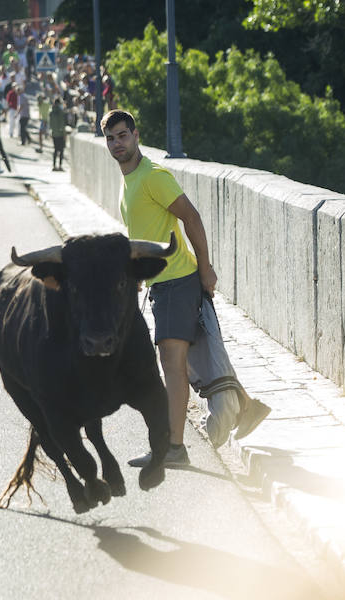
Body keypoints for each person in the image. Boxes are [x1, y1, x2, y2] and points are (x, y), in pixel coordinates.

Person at [100, 109, 272, 466]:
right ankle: (248, 407)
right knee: (197, 356)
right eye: (111, 138)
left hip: (177, 281)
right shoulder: (129, 180)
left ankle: (174, 449)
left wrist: (206, 268)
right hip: (163, 284)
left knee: (173, 366)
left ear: (135, 135)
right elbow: (144, 236)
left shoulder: (152, 176)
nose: (117, 143)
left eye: (122, 135)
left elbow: (191, 217)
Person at [49, 97, 66, 171]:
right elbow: (62, 124)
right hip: (60, 134)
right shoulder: (61, 112)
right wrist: (64, 134)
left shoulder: (51, 112)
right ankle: (60, 165)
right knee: (61, 150)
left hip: (54, 133)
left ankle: (54, 165)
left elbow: (50, 124)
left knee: (55, 150)